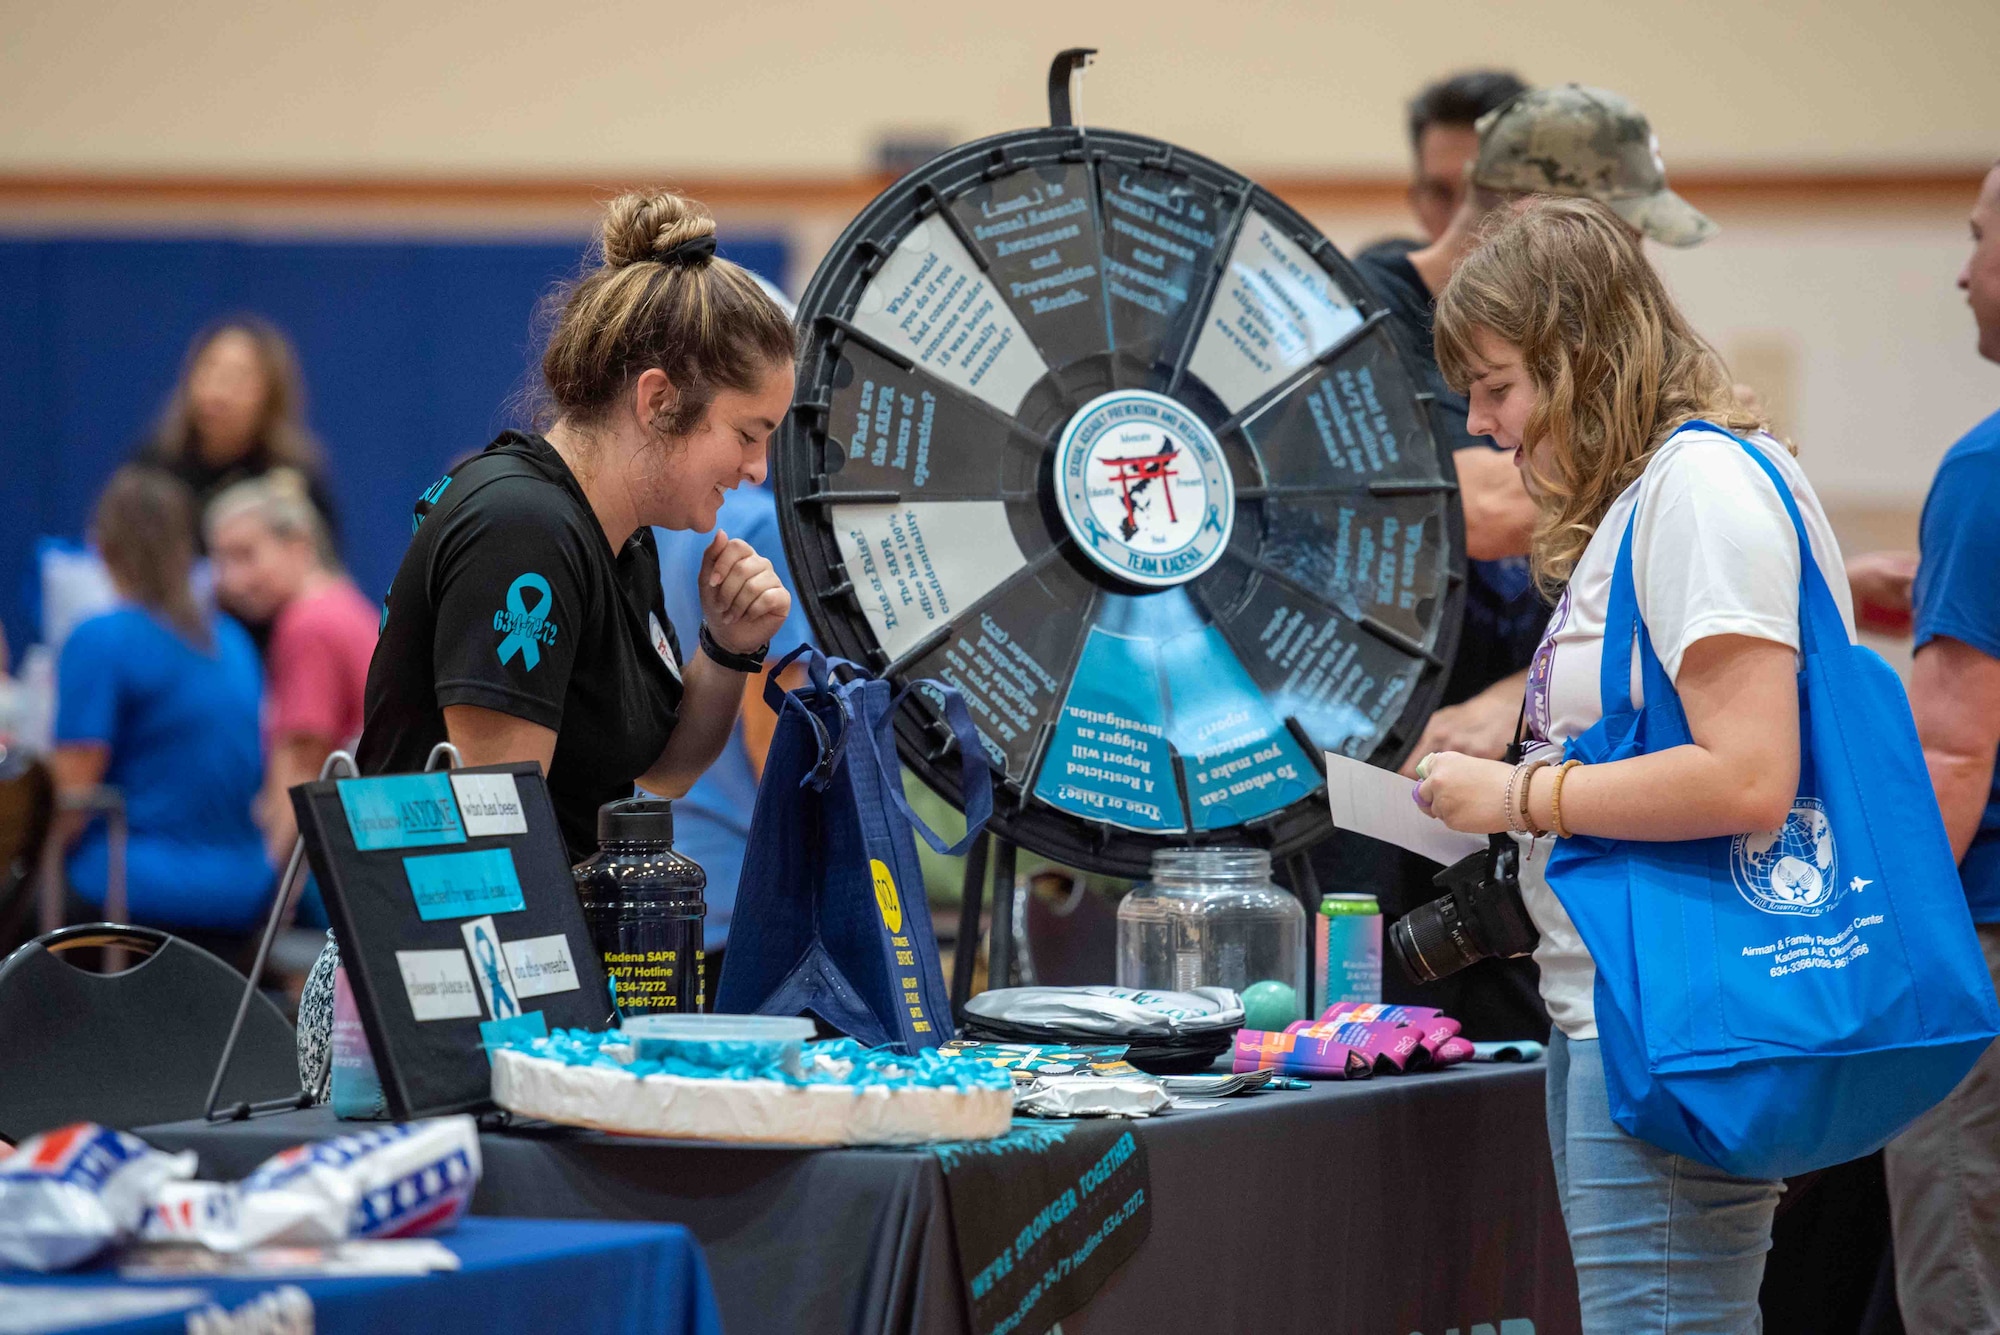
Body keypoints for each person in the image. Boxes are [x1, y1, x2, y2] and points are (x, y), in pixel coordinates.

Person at [1415, 197, 1855, 1331]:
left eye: (1497, 386)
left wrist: (1515, 795)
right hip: (1618, 995)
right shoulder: (1655, 493)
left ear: (1578, 357)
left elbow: (1746, 775)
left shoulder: (1700, 492)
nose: (1483, 425)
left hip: (1671, 1004)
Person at [1318, 82, 1718, 1039]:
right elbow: (1481, 510)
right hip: (1376, 805)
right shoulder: (1354, 324)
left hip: (1512, 803)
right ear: (1540, 226)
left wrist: (1510, 705)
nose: (1632, 277)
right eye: (1619, 240)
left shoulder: (1686, 460)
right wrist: (1656, 452)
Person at [356, 187, 796, 863]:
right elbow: (499, 840)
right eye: (748, 433)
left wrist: (729, 647)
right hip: (437, 959)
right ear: (658, 400)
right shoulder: (521, 527)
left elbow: (663, 771)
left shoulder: (623, 540)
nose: (758, 469)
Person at [1881, 158, 2000, 1335]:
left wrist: (1885, 959)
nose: (1961, 273)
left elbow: (1953, 756)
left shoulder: (1985, 468)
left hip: (1982, 949)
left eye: (1976, 240)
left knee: (1963, 1283)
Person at [51, 466, 271, 956]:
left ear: (104, 548)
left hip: (130, 897)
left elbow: (70, 802)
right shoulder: (233, 641)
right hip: (242, 897)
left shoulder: (100, 639)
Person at [655, 477, 814, 993]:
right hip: (747, 892)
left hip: (654, 882)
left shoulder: (646, 526)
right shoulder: (757, 530)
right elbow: (775, 747)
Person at [206, 469, 378, 867]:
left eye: (245, 555)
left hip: (343, 854)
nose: (230, 580)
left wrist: (267, 894)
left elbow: (302, 764)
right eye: (221, 560)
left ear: (299, 545)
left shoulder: (308, 625)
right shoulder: (342, 604)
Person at [138, 317, 337, 548]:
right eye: (209, 370)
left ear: (271, 394)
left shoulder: (296, 480)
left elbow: (323, 571)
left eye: (238, 377)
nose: (218, 392)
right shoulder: (155, 467)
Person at [1361, 68, 1529, 256]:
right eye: (1440, 193)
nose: (1461, 219)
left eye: (1488, 194)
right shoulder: (1385, 276)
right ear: (1416, 200)